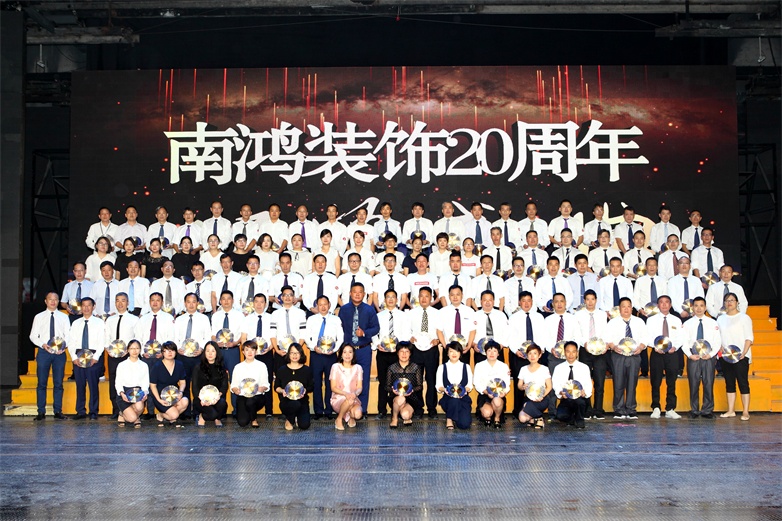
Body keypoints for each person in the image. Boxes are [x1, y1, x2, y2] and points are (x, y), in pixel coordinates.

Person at [337, 282, 380, 413]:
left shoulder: (369, 309)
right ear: (350, 293)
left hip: (364, 349)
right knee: (346, 380)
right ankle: (347, 408)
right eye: (354, 292)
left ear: (364, 294)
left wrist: (364, 333)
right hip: (347, 351)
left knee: (364, 380)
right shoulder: (344, 309)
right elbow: (339, 329)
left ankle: (362, 410)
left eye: (360, 292)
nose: (357, 294)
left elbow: (376, 328)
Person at [29, 292, 71, 421]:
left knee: (58, 383)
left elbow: (68, 335)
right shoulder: (39, 317)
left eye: (55, 299)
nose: (53, 301)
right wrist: (42, 345)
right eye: (50, 299)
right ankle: (41, 412)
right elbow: (33, 336)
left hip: (59, 354)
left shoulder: (64, 317)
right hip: (44, 352)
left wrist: (63, 347)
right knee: (42, 383)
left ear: (58, 301)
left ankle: (58, 411)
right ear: (45, 301)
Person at [605, 297, 648, 419]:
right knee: (618, 382)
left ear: (632, 308)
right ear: (619, 308)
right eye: (623, 306)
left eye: (628, 306)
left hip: (634, 355)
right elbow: (607, 337)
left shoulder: (639, 322)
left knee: (632, 383)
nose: (626, 309)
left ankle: (631, 409)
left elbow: (645, 337)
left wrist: (641, 347)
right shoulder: (613, 322)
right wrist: (613, 347)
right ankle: (618, 409)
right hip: (618, 355)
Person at [542, 293, 583, 414]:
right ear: (553, 304)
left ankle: (570, 411)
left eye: (561, 301)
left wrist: (572, 351)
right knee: (553, 383)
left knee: (570, 382)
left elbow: (578, 337)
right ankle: (552, 411)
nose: (559, 304)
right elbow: (545, 338)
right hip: (554, 356)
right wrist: (551, 349)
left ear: (566, 303)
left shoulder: (573, 319)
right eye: (556, 301)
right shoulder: (548, 320)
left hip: (570, 356)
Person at [373, 290, 412, 418]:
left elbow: (407, 333)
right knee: (383, 382)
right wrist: (377, 344)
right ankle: (381, 410)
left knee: (398, 381)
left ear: (397, 300)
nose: (390, 299)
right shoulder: (378, 316)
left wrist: (399, 348)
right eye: (388, 297)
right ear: (384, 300)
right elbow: (374, 333)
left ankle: (398, 408)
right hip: (383, 353)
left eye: (393, 297)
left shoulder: (403, 316)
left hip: (398, 354)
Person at [507, 290, 546, 416]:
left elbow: (542, 334)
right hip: (519, 355)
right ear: (519, 302)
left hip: (536, 355)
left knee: (537, 382)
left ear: (532, 302)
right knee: (520, 384)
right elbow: (510, 336)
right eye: (523, 301)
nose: (526, 303)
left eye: (529, 300)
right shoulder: (513, 318)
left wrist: (541, 350)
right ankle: (518, 411)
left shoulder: (539, 317)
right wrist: (516, 350)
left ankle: (534, 410)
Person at [306, 295, 344, 420]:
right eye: (320, 304)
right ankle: (318, 410)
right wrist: (313, 347)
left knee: (330, 383)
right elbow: (307, 336)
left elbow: (340, 337)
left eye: (325, 304)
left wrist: (335, 349)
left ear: (329, 305)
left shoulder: (336, 319)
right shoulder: (311, 319)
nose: (323, 307)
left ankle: (329, 410)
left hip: (330, 355)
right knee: (316, 383)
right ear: (317, 306)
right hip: (316, 354)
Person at [717, 292, 754, 421]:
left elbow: (749, 337)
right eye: (727, 300)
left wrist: (744, 352)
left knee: (743, 382)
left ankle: (745, 411)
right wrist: (720, 347)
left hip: (741, 356)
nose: (729, 302)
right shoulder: (720, 319)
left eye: (732, 300)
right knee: (729, 383)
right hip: (726, 356)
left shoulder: (744, 318)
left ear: (737, 302)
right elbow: (718, 336)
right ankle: (731, 410)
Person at [646, 295, 684, 419]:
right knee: (655, 381)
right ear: (658, 305)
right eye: (661, 302)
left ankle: (670, 408)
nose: (664, 304)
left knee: (671, 381)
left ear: (670, 305)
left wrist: (675, 347)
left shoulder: (676, 320)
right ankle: (656, 407)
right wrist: (654, 346)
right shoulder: (651, 320)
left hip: (672, 354)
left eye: (667, 302)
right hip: (657, 353)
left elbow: (680, 337)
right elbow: (647, 336)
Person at [683, 297, 721, 419]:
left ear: (705, 308)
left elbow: (717, 341)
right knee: (693, 383)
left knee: (708, 382)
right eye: (696, 306)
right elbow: (684, 341)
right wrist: (689, 355)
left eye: (701, 305)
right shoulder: (687, 324)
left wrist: (711, 354)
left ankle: (707, 410)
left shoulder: (713, 323)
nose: (699, 308)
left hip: (708, 356)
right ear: (692, 308)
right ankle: (694, 409)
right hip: (693, 356)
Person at [67, 297, 105, 419]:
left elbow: (101, 341)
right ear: (81, 307)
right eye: (84, 305)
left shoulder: (99, 323)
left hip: (93, 356)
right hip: (78, 356)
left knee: (93, 386)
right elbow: (71, 342)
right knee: (80, 385)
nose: (86, 308)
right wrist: (74, 357)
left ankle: (93, 411)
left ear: (93, 307)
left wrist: (96, 357)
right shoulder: (76, 323)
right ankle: (80, 411)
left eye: (89, 305)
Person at [104, 292, 139, 419]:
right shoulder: (110, 319)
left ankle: (130, 409)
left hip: (128, 355)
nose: (120, 303)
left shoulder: (134, 319)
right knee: (114, 381)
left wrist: (129, 350)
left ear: (128, 303)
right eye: (117, 300)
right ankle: (116, 409)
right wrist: (108, 349)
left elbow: (137, 337)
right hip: (112, 355)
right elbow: (106, 336)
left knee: (129, 381)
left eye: (123, 300)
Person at [574, 289, 609, 419]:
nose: (590, 302)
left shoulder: (602, 314)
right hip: (585, 350)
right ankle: (587, 409)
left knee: (599, 381)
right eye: (587, 299)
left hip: (600, 351)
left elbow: (605, 331)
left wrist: (605, 345)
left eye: (592, 299)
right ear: (584, 301)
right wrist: (584, 344)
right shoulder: (578, 315)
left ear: (596, 300)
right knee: (585, 380)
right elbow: (577, 333)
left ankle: (598, 409)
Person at [174, 292, 210, 417]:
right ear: (185, 303)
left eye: (193, 302)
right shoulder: (179, 319)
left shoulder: (204, 318)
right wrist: (178, 348)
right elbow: (175, 336)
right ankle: (185, 412)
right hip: (182, 355)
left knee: (197, 383)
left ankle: (197, 411)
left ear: (197, 303)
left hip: (197, 355)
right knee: (184, 382)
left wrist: (202, 348)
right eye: (188, 302)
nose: (191, 304)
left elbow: (207, 336)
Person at [239, 293, 274, 418]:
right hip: (250, 354)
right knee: (249, 379)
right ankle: (249, 410)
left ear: (266, 304)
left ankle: (269, 411)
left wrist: (269, 348)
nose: (259, 304)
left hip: (266, 353)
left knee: (267, 380)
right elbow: (243, 337)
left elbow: (273, 337)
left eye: (262, 302)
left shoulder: (271, 318)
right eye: (256, 302)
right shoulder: (247, 319)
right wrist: (247, 350)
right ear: (253, 304)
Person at [408, 286, 440, 418]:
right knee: (417, 380)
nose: (424, 298)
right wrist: (409, 337)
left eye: (427, 296)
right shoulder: (411, 313)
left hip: (431, 349)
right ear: (418, 297)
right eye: (421, 296)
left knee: (431, 379)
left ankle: (432, 408)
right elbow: (406, 329)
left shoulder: (437, 313)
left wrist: (438, 339)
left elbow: (441, 330)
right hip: (416, 349)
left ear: (431, 298)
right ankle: (418, 408)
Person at [210, 290, 244, 410]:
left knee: (234, 379)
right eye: (223, 299)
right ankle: (220, 409)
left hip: (233, 350)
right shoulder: (215, 316)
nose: (226, 301)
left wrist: (235, 342)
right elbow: (213, 334)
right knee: (219, 379)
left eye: (228, 298)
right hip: (219, 351)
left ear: (233, 300)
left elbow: (242, 334)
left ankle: (236, 409)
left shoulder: (239, 315)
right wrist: (216, 341)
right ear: (220, 301)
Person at [551, 341, 593, 428]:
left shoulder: (584, 367)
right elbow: (555, 384)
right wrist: (560, 392)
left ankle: (580, 420)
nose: (571, 355)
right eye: (568, 351)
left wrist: (585, 392)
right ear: (564, 352)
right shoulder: (558, 368)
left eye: (573, 352)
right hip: (566, 399)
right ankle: (573, 419)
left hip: (580, 399)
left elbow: (588, 384)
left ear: (577, 353)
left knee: (580, 402)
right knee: (560, 416)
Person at [230, 340, 270, 428]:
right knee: (242, 422)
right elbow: (233, 385)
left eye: (252, 350)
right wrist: (235, 390)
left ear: (256, 351)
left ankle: (253, 419)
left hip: (257, 396)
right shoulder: (238, 367)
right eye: (247, 350)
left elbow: (266, 384)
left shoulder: (262, 365)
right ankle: (249, 413)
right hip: (243, 396)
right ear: (243, 352)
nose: (250, 352)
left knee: (250, 401)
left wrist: (262, 388)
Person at [274, 343, 314, 431]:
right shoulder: (282, 370)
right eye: (292, 353)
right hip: (287, 401)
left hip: (302, 400)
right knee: (295, 404)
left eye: (297, 353)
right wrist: (282, 391)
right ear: (288, 354)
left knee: (304, 426)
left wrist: (305, 390)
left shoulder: (307, 370)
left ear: (301, 354)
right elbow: (276, 387)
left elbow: (311, 386)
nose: (294, 355)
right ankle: (290, 419)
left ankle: (297, 417)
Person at [149, 341, 189, 427]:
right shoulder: (157, 366)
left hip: (174, 394)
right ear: (162, 353)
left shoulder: (179, 364)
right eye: (167, 350)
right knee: (174, 415)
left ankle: (171, 416)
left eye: (172, 350)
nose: (170, 352)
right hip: (160, 395)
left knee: (185, 401)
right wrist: (159, 400)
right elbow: (152, 386)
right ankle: (162, 415)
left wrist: (181, 392)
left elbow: (182, 382)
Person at [473, 340, 511, 428]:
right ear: (485, 352)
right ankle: (488, 417)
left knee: (497, 401)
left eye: (494, 351)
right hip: (485, 394)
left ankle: (497, 418)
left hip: (498, 395)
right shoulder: (479, 365)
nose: (492, 353)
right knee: (487, 413)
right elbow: (476, 382)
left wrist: (504, 392)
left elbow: (507, 383)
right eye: (489, 350)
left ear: (498, 353)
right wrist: (487, 392)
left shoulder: (504, 366)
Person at [436, 341, 474, 430]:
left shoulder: (466, 367)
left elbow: (469, 386)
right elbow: (438, 386)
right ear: (447, 354)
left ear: (460, 353)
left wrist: (462, 392)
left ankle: (457, 416)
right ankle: (449, 419)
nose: (454, 354)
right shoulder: (442, 367)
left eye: (456, 351)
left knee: (464, 425)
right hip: (448, 399)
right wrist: (445, 390)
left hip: (463, 399)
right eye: (451, 351)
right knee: (454, 400)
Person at [385, 342, 423, 427]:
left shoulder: (416, 367)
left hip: (411, 398)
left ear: (410, 353)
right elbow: (386, 386)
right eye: (401, 351)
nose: (404, 354)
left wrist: (412, 390)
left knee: (405, 415)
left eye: (407, 352)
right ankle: (394, 418)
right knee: (400, 398)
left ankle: (404, 414)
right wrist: (393, 391)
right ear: (397, 353)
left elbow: (420, 386)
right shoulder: (391, 368)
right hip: (396, 397)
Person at [436, 285, 476, 365]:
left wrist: (469, 346)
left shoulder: (470, 311)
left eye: (458, 294)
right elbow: (439, 331)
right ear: (449, 296)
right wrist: (446, 347)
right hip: (448, 349)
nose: (455, 297)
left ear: (462, 295)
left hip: (464, 349)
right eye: (452, 295)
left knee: (464, 370)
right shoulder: (442, 312)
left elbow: (472, 330)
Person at [191, 341, 229, 427]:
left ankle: (217, 419)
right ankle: (201, 416)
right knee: (212, 415)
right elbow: (194, 387)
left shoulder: (222, 368)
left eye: (213, 351)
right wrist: (202, 399)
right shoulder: (198, 367)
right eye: (207, 351)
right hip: (201, 400)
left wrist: (218, 396)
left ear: (217, 353)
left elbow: (224, 387)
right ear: (204, 353)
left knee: (223, 404)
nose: (210, 353)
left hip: (216, 398)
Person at [270, 285, 307, 370]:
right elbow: (272, 333)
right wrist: (277, 350)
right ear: (281, 297)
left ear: (293, 297)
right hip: (280, 351)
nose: (287, 297)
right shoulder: (275, 314)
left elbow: (303, 333)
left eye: (290, 295)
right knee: (280, 374)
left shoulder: (300, 313)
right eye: (285, 295)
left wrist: (296, 350)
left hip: (296, 352)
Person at [114, 340, 149, 427]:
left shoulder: (144, 365)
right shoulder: (121, 365)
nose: (134, 351)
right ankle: (125, 414)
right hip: (125, 392)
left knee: (139, 406)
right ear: (128, 350)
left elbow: (145, 381)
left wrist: (145, 393)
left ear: (140, 350)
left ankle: (130, 415)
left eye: (137, 348)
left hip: (138, 392)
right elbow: (118, 381)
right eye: (132, 348)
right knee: (131, 419)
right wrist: (121, 393)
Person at [516, 343, 552, 428]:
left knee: (526, 406)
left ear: (539, 355)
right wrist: (522, 387)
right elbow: (519, 385)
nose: (532, 356)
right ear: (527, 355)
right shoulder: (523, 369)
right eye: (530, 353)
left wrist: (542, 396)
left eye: (535, 353)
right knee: (522, 419)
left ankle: (538, 418)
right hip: (528, 398)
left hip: (542, 398)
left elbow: (549, 387)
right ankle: (536, 416)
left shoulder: (544, 369)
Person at [329, 344, 364, 430]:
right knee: (349, 400)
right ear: (341, 354)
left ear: (353, 354)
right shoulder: (335, 367)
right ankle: (339, 419)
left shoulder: (358, 368)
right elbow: (333, 388)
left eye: (350, 352)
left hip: (353, 397)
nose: (347, 355)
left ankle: (351, 417)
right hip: (338, 398)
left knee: (358, 414)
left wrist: (355, 394)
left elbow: (360, 387)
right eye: (345, 352)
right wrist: (346, 394)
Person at [472, 290, 509, 367]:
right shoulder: (474, 316)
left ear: (494, 301)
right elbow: (470, 333)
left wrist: (501, 345)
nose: (487, 302)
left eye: (490, 300)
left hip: (497, 351)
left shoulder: (501, 315)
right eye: (485, 300)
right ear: (481, 301)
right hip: (480, 352)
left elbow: (507, 332)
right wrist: (473, 345)